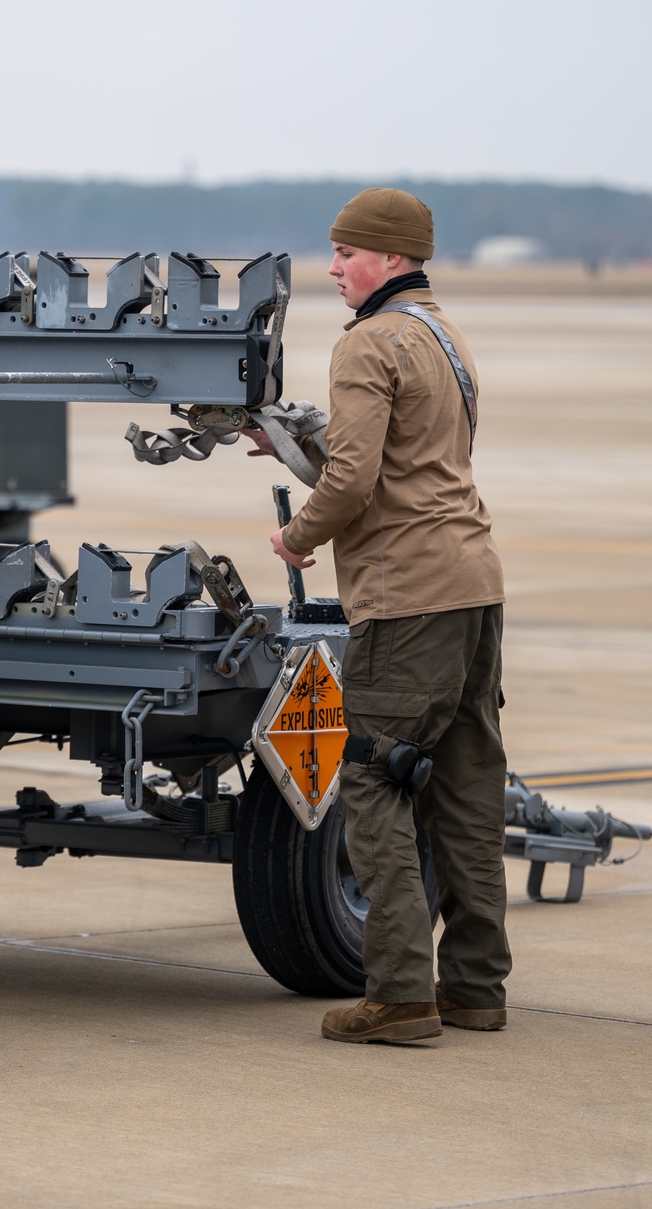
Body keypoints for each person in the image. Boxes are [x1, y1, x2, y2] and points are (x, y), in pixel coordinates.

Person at [249, 186, 511, 1044]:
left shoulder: (366, 342)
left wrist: (296, 536)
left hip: (410, 596)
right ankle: (476, 988)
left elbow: (357, 480)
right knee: (468, 783)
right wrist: (293, 444)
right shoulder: (444, 333)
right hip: (475, 583)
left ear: (391, 258)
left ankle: (400, 992)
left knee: (370, 771)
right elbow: (402, 456)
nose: (332, 268)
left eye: (347, 253)